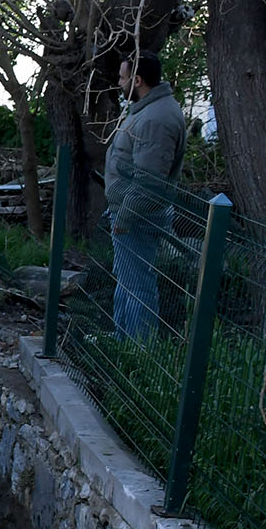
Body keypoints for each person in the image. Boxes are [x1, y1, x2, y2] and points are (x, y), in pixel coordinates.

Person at [103, 50, 186, 338]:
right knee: (127, 280)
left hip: (138, 218)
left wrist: (124, 218)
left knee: (138, 285)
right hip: (128, 214)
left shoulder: (156, 119)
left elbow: (148, 182)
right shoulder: (146, 110)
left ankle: (139, 349)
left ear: (137, 80)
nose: (119, 83)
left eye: (122, 78)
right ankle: (121, 342)